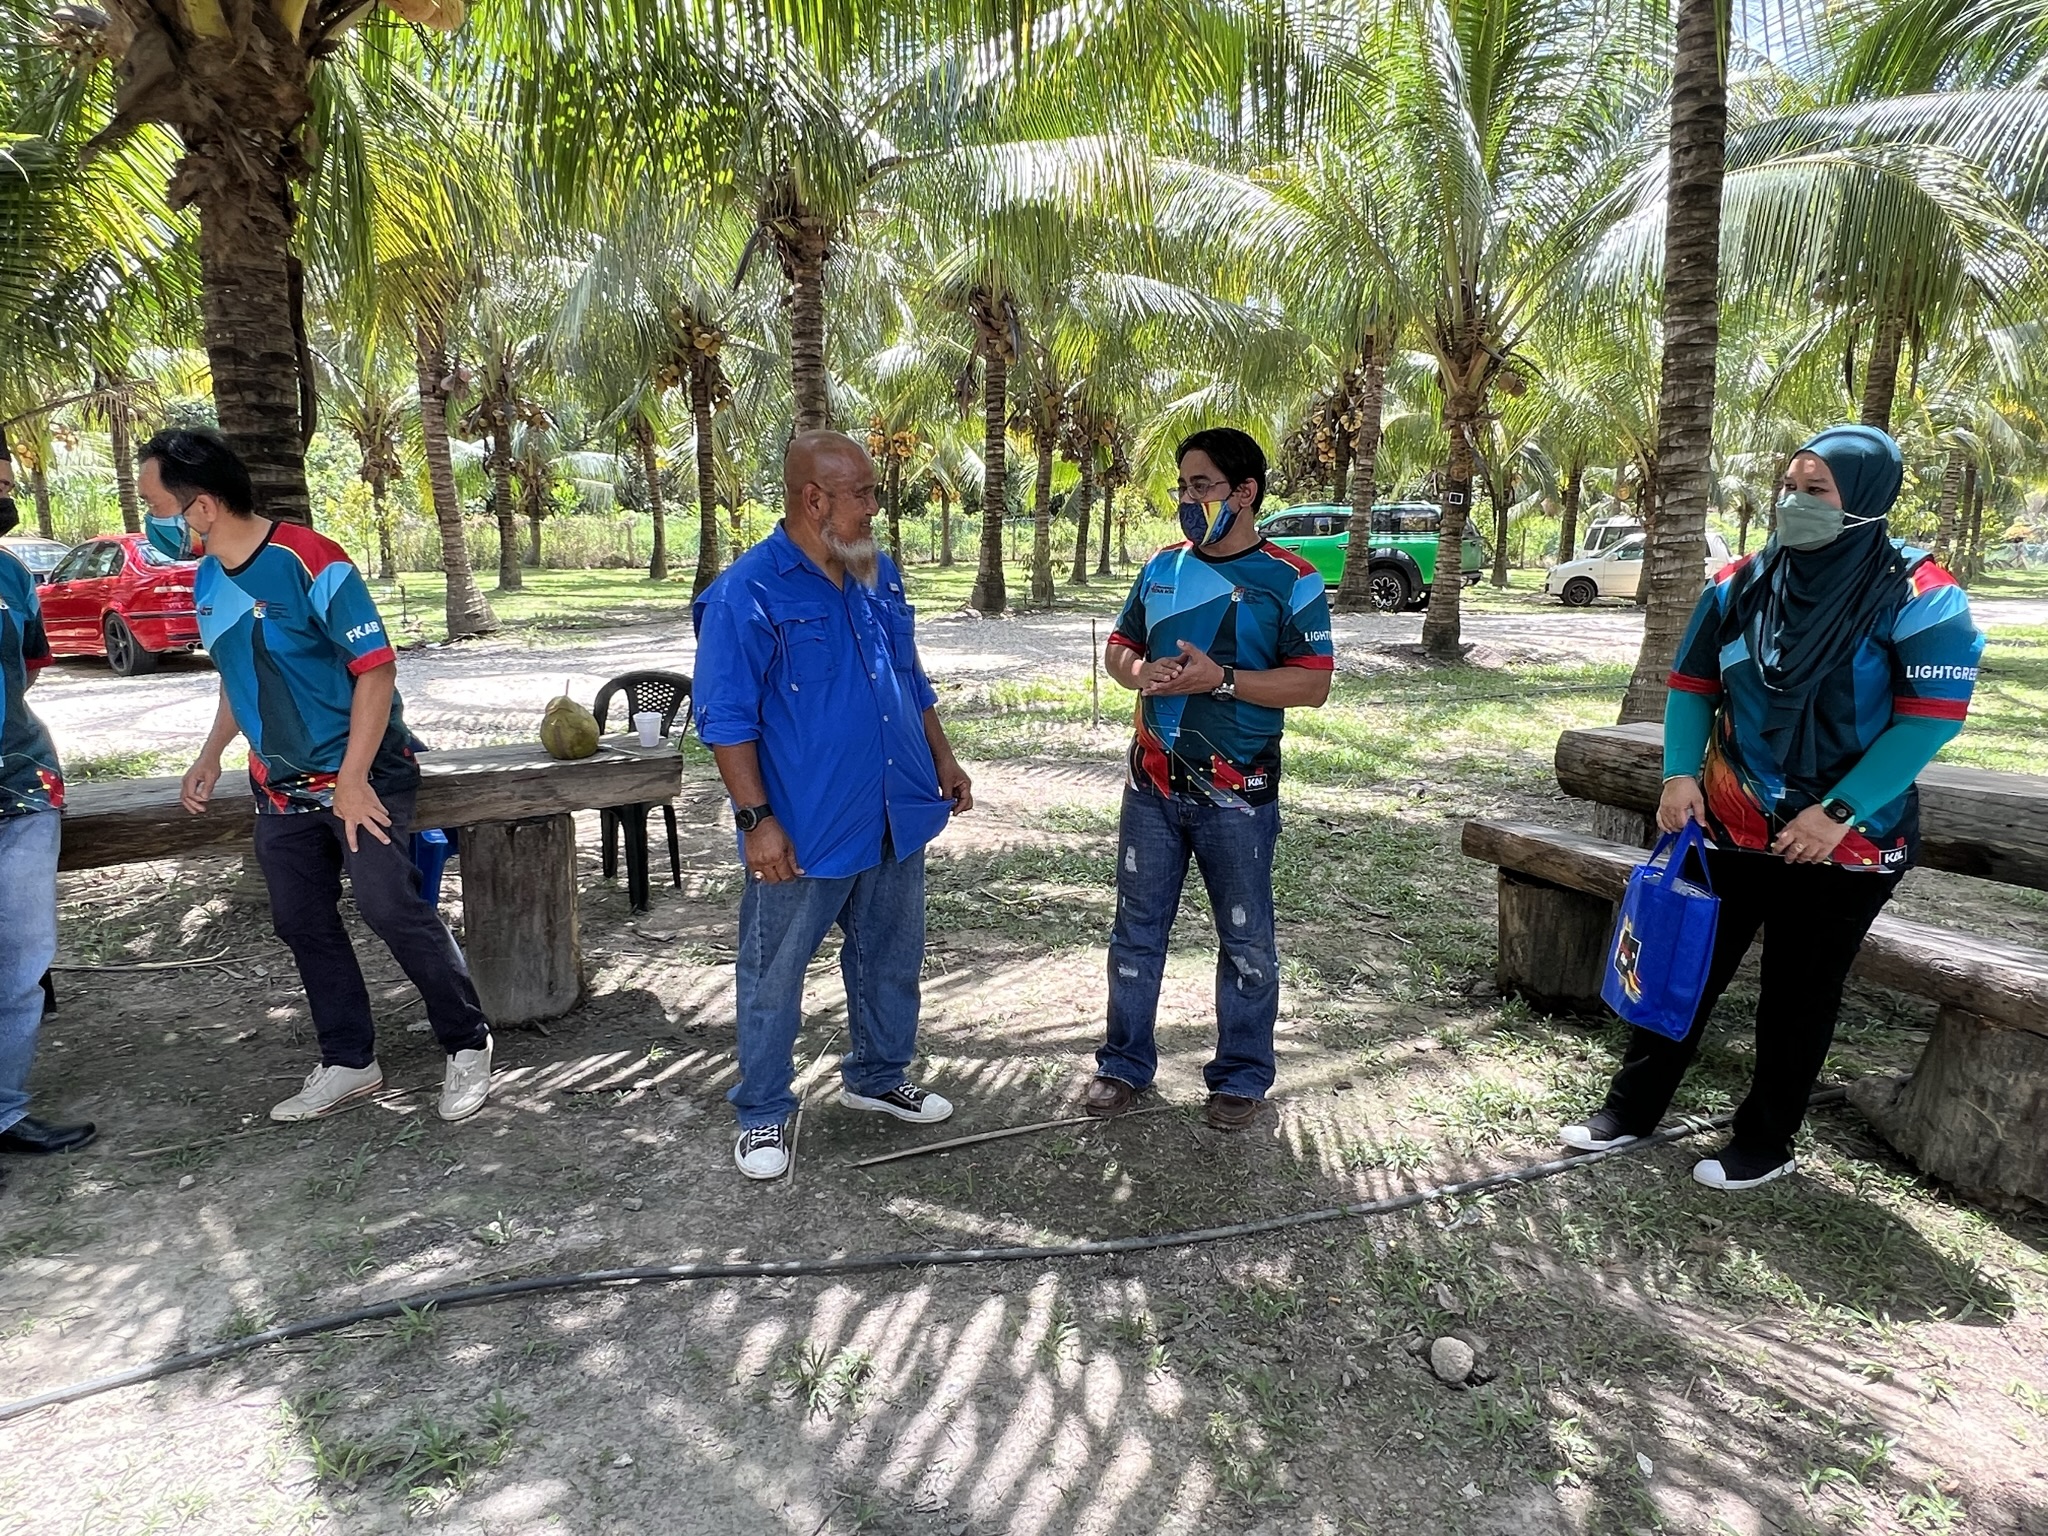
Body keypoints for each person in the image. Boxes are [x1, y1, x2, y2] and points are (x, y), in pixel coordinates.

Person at [1560, 424, 1984, 1190]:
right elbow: (1692, 686)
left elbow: (1928, 722)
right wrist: (1678, 775)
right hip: (1727, 822)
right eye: (1790, 487)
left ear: (1867, 499)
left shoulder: (1923, 597)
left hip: (1845, 841)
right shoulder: (1741, 581)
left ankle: (1766, 1141)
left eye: (1816, 490)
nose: (1795, 502)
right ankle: (1629, 1110)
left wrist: (1837, 812)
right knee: (1682, 964)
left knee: (1799, 992)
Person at [151, 429, 495, 1123]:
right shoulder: (208, 579)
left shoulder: (311, 558)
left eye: (155, 507)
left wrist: (352, 779)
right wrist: (210, 753)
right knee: (300, 919)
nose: (150, 523)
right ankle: (349, 1060)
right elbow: (237, 673)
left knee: (389, 905)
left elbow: (376, 669)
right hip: (277, 787)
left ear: (202, 506)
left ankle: (467, 1041)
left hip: (365, 775)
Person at [691, 430, 974, 1181]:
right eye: (863, 494)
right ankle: (762, 1110)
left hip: (893, 811)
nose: (875, 507)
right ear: (814, 500)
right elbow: (725, 719)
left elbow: (907, 675)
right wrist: (756, 821)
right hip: (805, 827)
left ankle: (877, 1078)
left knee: (891, 958)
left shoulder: (876, 570)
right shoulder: (747, 593)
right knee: (774, 971)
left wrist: (942, 758)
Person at [1081, 427, 1333, 1130]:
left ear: (1245, 492)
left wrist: (1220, 680)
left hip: (1238, 795)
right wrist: (1140, 672)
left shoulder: (1292, 578)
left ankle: (1241, 1076)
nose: (1189, 500)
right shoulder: (1161, 566)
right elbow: (1121, 647)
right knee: (1136, 933)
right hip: (1151, 789)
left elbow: (1312, 685)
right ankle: (1122, 1065)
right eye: (1183, 486)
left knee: (1246, 940)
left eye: (1203, 486)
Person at [0, 445, 96, 1175]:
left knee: (20, 958)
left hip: (20, 786)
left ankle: (4, 1110)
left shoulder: (12, 575)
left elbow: (28, 664)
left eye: (7, 486)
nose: (5, 499)